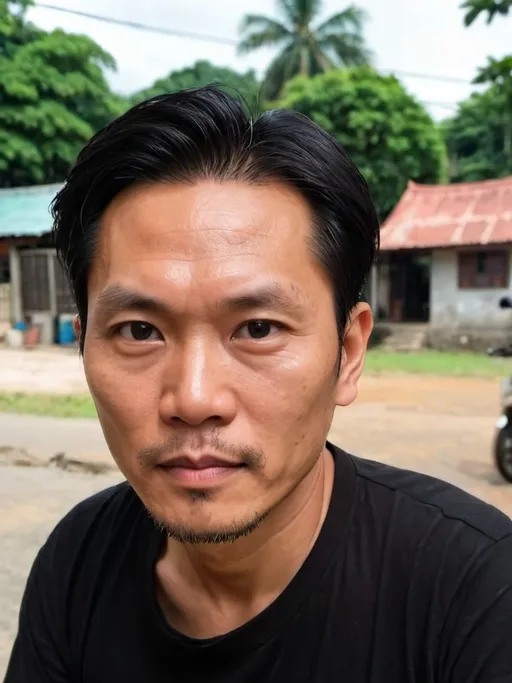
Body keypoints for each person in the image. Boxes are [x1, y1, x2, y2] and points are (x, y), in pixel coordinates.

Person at [5, 87, 512, 683]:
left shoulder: (479, 595)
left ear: (348, 352)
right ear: (83, 341)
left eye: (258, 328)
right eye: (140, 330)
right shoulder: (78, 562)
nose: (194, 399)